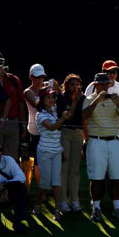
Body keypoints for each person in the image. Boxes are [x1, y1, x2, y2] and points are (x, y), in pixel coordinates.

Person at [82, 73, 119, 222]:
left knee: (116, 177)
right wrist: (97, 100)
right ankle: (96, 208)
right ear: (95, 85)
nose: (105, 87)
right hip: (96, 141)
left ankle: (117, 207)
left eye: (106, 84)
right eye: (102, 84)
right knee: (96, 177)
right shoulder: (89, 99)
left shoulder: (115, 98)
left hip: (113, 140)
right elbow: (83, 116)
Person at [23, 64, 56, 215]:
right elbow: (38, 105)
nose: (39, 79)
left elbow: (57, 103)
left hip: (49, 131)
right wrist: (49, 92)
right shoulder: (28, 91)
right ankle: (34, 193)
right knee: (35, 164)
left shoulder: (47, 89)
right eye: (36, 77)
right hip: (35, 132)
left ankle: (44, 193)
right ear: (31, 77)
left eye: (42, 76)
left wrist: (56, 89)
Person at [35, 88, 71, 221]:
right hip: (44, 151)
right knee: (45, 183)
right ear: (43, 100)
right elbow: (52, 127)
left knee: (56, 181)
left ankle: (57, 210)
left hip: (56, 150)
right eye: (48, 97)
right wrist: (63, 118)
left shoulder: (55, 110)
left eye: (52, 97)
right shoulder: (40, 115)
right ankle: (38, 205)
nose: (51, 100)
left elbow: (65, 103)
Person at [0, 51, 27, 162]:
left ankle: (11, 179)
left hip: (13, 123)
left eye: (2, 62)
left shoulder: (14, 80)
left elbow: (20, 103)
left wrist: (23, 126)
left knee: (12, 159)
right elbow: (1, 98)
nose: (0, 66)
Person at [56, 74, 86, 214]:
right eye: (72, 84)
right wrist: (74, 101)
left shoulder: (83, 99)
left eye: (77, 84)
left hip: (78, 133)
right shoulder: (61, 98)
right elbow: (69, 115)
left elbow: (84, 119)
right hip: (65, 132)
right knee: (64, 168)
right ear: (67, 85)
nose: (75, 87)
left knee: (75, 169)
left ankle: (75, 200)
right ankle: (63, 201)